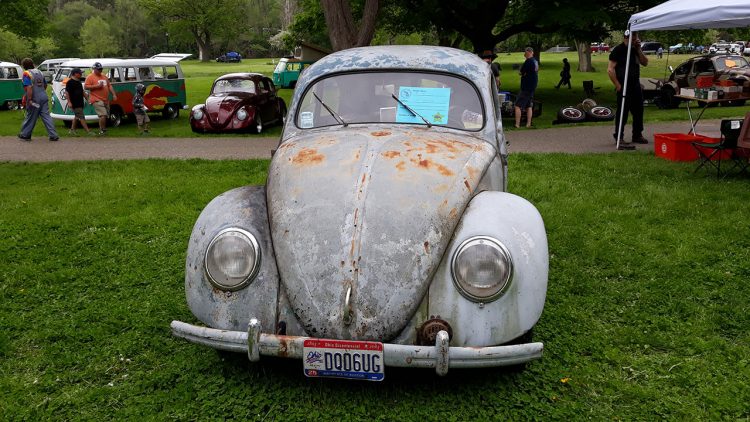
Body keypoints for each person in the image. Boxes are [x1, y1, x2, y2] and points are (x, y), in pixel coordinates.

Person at [608, 31, 649, 150]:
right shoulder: (618, 50)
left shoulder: (635, 50)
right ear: (627, 37)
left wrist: (639, 49)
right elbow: (610, 69)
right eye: (634, 37)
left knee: (638, 110)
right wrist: (617, 85)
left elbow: (645, 63)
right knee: (623, 111)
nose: (636, 39)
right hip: (623, 85)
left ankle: (637, 134)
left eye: (636, 37)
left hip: (635, 84)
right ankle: (619, 136)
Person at [17, 58, 59, 142]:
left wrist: (29, 99)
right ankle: (53, 135)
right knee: (46, 116)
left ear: (24, 66)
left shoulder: (26, 73)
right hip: (43, 96)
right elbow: (45, 85)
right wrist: (41, 92)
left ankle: (25, 135)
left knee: (31, 116)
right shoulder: (40, 72)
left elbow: (29, 87)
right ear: (32, 64)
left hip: (34, 98)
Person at [84, 62, 117, 136]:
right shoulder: (90, 77)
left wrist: (114, 94)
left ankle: (102, 129)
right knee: (103, 115)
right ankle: (102, 130)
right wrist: (97, 86)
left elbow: (109, 86)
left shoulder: (104, 76)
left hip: (105, 99)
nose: (100, 70)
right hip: (96, 99)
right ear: (94, 69)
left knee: (105, 115)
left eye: (101, 69)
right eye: (98, 69)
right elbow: (86, 87)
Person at [514, 47, 538, 129]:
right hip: (532, 86)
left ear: (528, 52)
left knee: (517, 105)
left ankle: (517, 124)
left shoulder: (528, 61)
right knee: (528, 106)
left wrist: (520, 72)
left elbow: (521, 72)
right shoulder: (535, 61)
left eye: (525, 52)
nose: (524, 54)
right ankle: (528, 124)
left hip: (526, 87)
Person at [64, 68, 91, 136]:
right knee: (81, 117)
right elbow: (67, 93)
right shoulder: (70, 82)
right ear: (75, 74)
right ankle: (88, 131)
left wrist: (87, 99)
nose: (81, 74)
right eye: (79, 73)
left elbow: (82, 92)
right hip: (75, 103)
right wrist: (69, 102)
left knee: (76, 116)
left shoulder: (78, 82)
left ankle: (72, 130)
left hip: (80, 102)